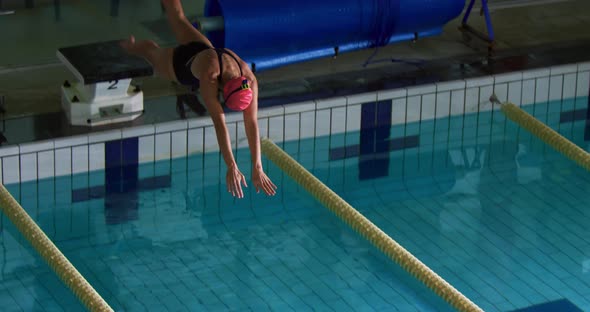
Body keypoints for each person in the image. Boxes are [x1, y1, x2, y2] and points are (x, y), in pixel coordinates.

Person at [120, 0, 277, 198]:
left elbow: (251, 122)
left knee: (178, 16)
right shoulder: (210, 77)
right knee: (154, 56)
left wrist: (257, 167)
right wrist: (231, 165)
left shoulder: (249, 78)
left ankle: (139, 46)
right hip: (183, 65)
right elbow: (220, 123)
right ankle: (137, 47)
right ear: (222, 91)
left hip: (203, 48)